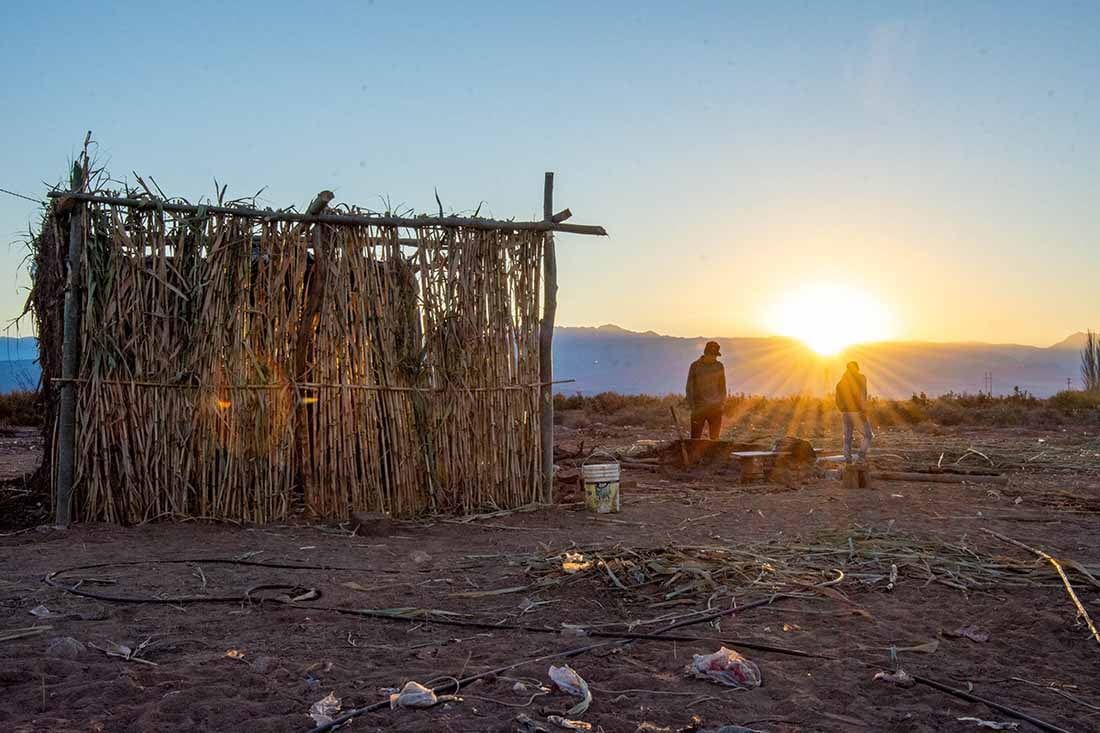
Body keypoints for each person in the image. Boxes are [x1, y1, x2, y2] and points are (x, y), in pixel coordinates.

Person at [685, 341, 727, 440]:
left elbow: (722, 387)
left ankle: (713, 455)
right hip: (699, 408)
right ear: (705, 353)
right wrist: (693, 407)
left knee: (715, 439)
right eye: (712, 355)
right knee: (695, 439)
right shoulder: (695, 366)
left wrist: (721, 404)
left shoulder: (719, 366)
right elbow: (689, 387)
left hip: (715, 409)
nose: (714, 357)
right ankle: (694, 455)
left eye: (715, 355)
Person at [836, 361, 873, 463]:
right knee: (868, 435)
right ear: (857, 368)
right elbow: (862, 395)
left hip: (845, 413)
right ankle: (861, 457)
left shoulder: (840, 383)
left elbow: (837, 400)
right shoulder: (861, 378)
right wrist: (863, 410)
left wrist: (843, 409)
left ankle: (847, 459)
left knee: (847, 437)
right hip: (857, 411)